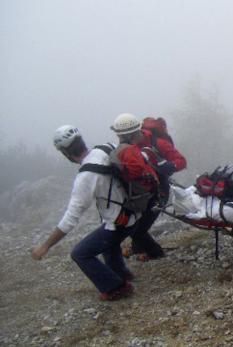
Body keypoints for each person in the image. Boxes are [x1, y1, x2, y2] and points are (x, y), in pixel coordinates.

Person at [31, 125, 138, 301]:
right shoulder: (106, 148)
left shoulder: (86, 176)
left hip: (122, 221)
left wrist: (45, 246)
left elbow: (70, 219)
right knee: (107, 237)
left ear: (65, 153)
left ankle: (117, 288)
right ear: (81, 141)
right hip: (134, 212)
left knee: (80, 253)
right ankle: (122, 274)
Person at [109, 113, 168, 261]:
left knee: (137, 230)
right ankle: (150, 252)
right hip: (151, 194)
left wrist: (121, 174)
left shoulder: (125, 149)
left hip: (148, 196)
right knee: (136, 229)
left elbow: (135, 171)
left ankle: (156, 254)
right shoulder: (130, 149)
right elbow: (138, 170)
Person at [127, 116, 187, 261]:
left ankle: (155, 253)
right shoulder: (130, 145)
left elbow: (181, 162)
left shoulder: (159, 144)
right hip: (141, 190)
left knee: (138, 227)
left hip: (159, 190)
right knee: (136, 222)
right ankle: (139, 249)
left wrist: (168, 167)